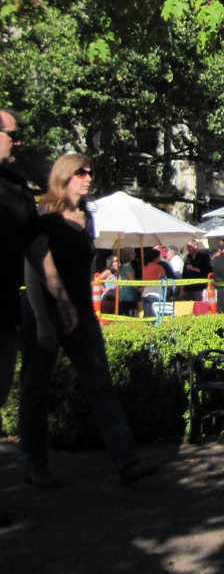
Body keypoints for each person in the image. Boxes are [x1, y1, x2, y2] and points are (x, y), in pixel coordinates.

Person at [20, 152, 158, 487]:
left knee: (101, 387)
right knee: (35, 391)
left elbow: (85, 269)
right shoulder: (44, 214)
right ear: (64, 176)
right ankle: (35, 467)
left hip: (81, 313)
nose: (88, 177)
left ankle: (127, 463)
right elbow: (32, 270)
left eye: (90, 172)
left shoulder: (87, 218)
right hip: (45, 310)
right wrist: (41, 319)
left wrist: (87, 308)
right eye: (81, 172)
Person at [0, 111, 77, 523]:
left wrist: (61, 299)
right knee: (31, 390)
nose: (17, 141)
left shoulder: (14, 188)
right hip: (25, 315)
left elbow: (35, 250)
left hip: (6, 314)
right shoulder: (34, 200)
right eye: (12, 134)